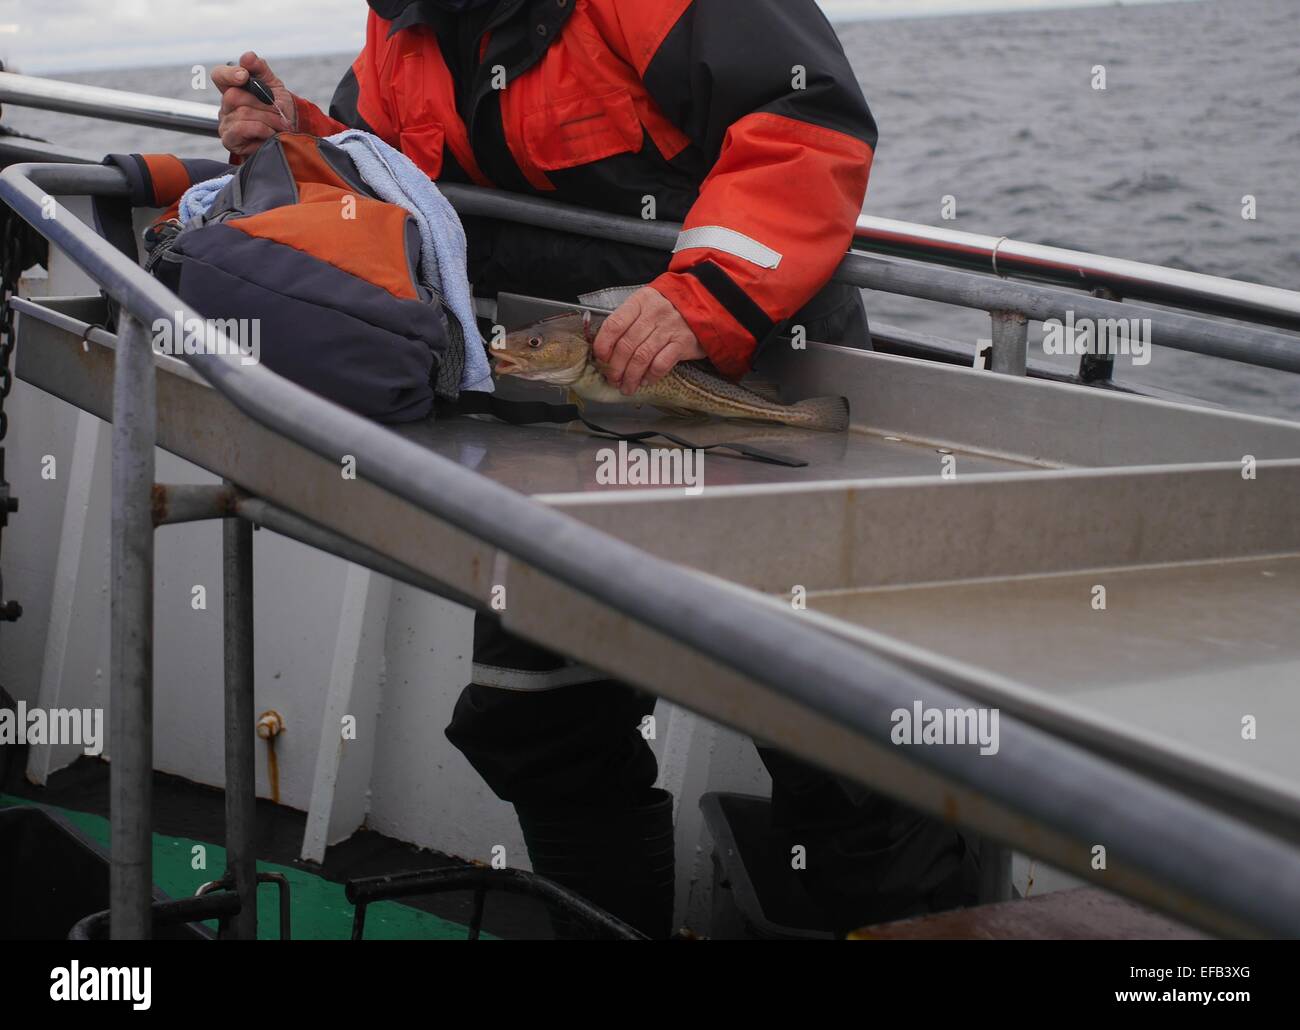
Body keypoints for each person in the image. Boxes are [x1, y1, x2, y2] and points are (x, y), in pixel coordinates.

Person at [213, 0, 976, 938]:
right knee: (539, 720)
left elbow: (804, 126)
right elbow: (391, 189)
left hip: (749, 400)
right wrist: (299, 144)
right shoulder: (402, 25)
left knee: (832, 735)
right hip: (558, 428)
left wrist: (701, 300)